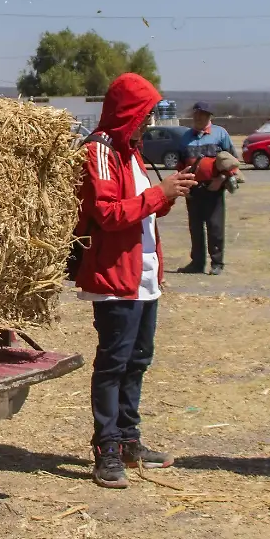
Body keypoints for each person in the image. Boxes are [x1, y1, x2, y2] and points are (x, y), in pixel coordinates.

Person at [73, 72, 201, 489]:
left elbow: (144, 207)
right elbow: (108, 214)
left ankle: (129, 438)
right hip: (115, 275)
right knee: (113, 362)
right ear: (128, 110)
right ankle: (106, 448)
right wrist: (158, 194)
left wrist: (171, 192)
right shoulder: (99, 151)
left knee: (138, 359)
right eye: (144, 112)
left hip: (145, 274)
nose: (148, 121)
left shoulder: (131, 152)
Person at [180, 102, 236, 274]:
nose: (199, 118)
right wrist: (183, 186)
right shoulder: (185, 137)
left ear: (209, 116)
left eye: (203, 114)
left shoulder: (220, 134)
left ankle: (217, 263)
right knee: (195, 228)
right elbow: (181, 164)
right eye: (196, 114)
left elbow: (232, 160)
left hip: (214, 188)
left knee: (215, 227)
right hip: (193, 189)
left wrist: (221, 178)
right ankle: (197, 263)